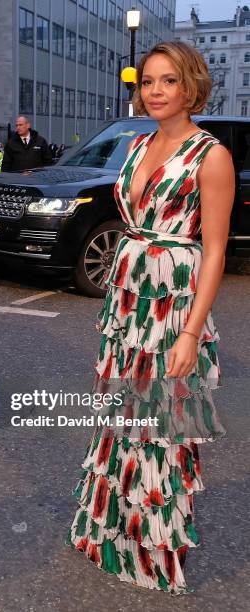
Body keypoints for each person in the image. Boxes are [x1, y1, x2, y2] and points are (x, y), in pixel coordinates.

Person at [65, 41, 234, 594]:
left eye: (169, 81)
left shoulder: (211, 156)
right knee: (120, 416)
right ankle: (108, 534)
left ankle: (153, 551)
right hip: (129, 304)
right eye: (149, 82)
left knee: (159, 425)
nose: (156, 91)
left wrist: (190, 331)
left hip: (172, 307)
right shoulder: (137, 145)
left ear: (191, 87)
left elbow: (214, 251)